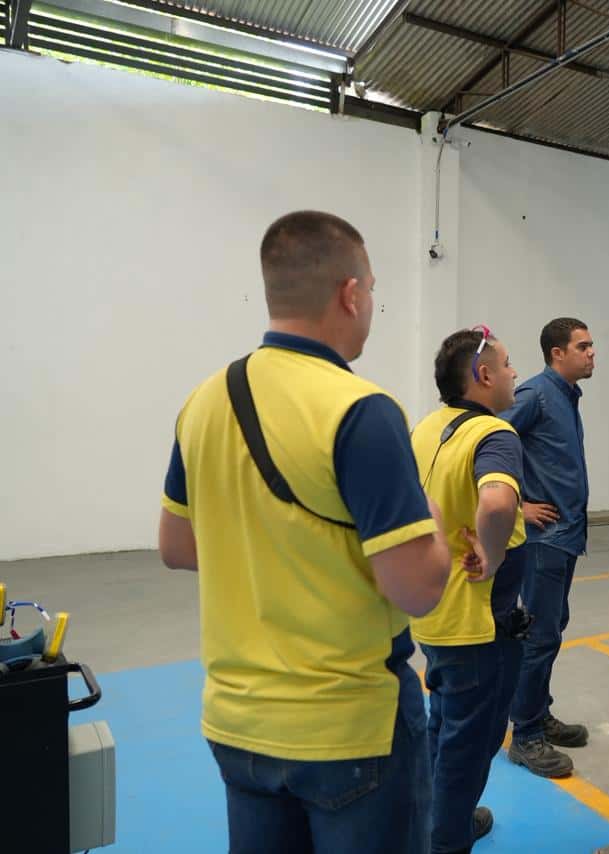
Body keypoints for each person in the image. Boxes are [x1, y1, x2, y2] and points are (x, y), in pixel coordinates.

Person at [158, 211, 452, 854]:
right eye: (372, 289)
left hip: (236, 725)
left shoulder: (204, 401)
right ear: (350, 293)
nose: (372, 303)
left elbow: (177, 547)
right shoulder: (361, 410)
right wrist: (436, 525)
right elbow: (418, 590)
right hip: (347, 731)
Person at [411, 327, 527, 854]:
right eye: (506, 364)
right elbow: (499, 502)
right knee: (470, 744)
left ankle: (440, 820)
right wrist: (494, 553)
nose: (513, 374)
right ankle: (446, 839)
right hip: (479, 624)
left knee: (444, 728)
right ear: (482, 375)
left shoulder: (425, 429)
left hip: (434, 614)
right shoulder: (494, 435)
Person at [504, 318, 594, 778]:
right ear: (558, 353)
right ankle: (525, 736)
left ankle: (537, 713)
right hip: (543, 539)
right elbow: (490, 440)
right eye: (583, 346)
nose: (591, 352)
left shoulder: (565, 397)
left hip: (565, 537)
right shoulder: (535, 395)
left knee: (551, 627)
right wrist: (517, 505)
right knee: (538, 636)